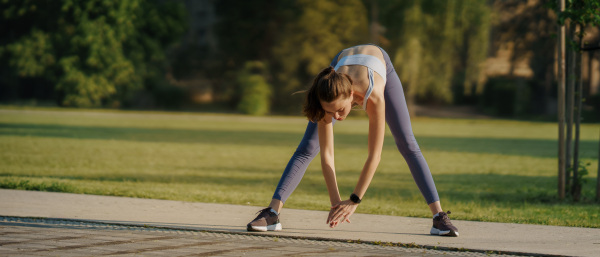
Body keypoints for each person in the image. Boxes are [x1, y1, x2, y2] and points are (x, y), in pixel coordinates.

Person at [246, 44, 459, 237]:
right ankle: (272, 213)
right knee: (308, 147)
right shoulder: (328, 95)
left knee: (407, 143)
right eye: (331, 112)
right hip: (342, 59)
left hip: (377, 59)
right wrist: (335, 203)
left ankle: (439, 217)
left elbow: (374, 155)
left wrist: (354, 200)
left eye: (340, 110)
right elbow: (327, 155)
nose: (337, 117)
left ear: (351, 96)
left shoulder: (373, 94)